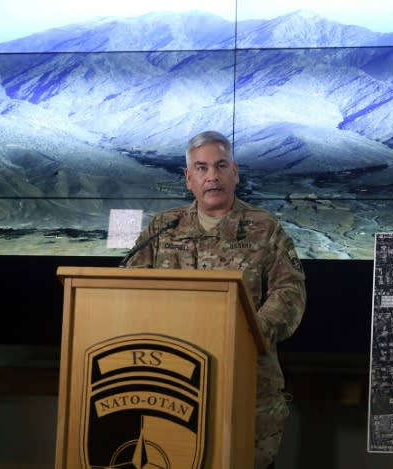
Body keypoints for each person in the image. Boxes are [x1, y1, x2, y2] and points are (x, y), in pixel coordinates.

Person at [125, 129, 306, 469]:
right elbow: (131, 291)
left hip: (246, 386)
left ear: (235, 173)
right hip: (170, 386)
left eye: (221, 166)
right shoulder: (163, 227)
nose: (212, 176)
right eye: (202, 168)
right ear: (188, 178)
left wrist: (252, 331)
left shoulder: (265, 229)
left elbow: (290, 292)